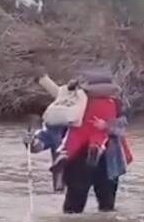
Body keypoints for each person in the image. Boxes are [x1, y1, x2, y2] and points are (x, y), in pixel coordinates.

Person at [25, 70, 132, 213]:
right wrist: (32, 142)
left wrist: (107, 126)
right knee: (104, 209)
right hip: (87, 162)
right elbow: (47, 136)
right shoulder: (70, 110)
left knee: (75, 210)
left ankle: (66, 156)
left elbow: (122, 126)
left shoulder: (113, 105)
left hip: (105, 161)